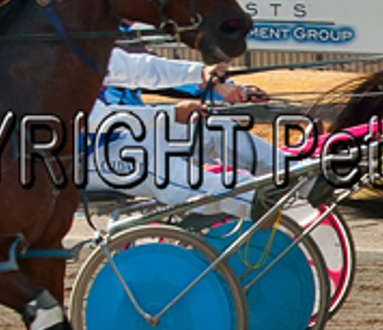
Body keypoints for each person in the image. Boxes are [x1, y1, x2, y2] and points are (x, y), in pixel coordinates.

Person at [83, 45, 310, 221]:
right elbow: (95, 119)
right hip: (80, 160)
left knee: (213, 128)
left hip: (119, 139)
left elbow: (143, 69)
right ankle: (252, 199)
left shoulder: (81, 46)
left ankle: (302, 175)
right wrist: (172, 114)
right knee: (159, 168)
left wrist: (203, 74)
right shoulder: (52, 57)